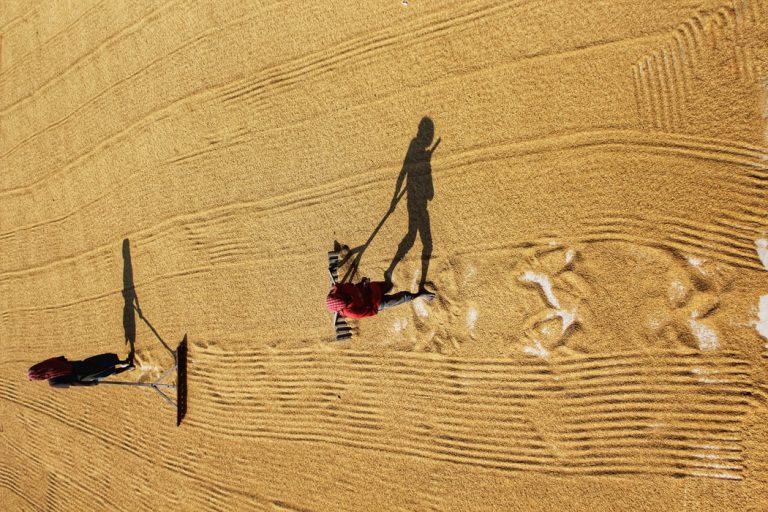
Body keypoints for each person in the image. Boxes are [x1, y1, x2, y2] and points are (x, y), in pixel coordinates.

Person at [326, 277, 435, 319]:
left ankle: (389, 287)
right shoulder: (352, 313)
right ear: (344, 306)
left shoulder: (340, 289)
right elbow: (371, 311)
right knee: (404, 297)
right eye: (348, 299)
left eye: (345, 296)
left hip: (371, 289)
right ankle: (420, 295)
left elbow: (351, 286)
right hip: (378, 302)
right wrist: (377, 301)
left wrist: (363, 284)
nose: (349, 297)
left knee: (389, 285)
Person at [27, 353, 134, 388]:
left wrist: (91, 383)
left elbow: (73, 383)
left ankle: (128, 367)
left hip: (84, 375)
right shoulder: (50, 362)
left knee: (107, 371)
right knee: (102, 361)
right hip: (81, 364)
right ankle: (124, 361)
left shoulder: (53, 382)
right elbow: (64, 359)